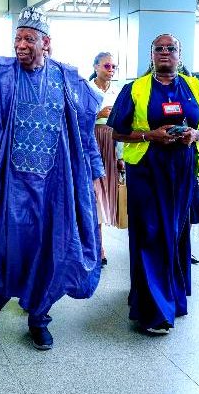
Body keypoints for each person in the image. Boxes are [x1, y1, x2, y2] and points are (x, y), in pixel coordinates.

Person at [0, 7, 104, 350]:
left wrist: (93, 173)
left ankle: (38, 318)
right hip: (8, 185)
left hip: (54, 189)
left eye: (28, 39)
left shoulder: (68, 80)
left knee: (51, 252)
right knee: (5, 247)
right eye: (17, 38)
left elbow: (85, 132)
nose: (21, 45)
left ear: (46, 43)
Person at [108, 33, 199, 334]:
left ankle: (174, 298)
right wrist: (149, 135)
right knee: (151, 233)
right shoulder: (135, 89)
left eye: (171, 48)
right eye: (159, 49)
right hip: (147, 168)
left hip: (182, 170)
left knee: (177, 234)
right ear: (151, 55)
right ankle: (154, 312)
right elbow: (116, 131)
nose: (165, 52)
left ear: (180, 55)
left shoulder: (196, 86)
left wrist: (196, 135)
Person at [89, 52, 122, 266]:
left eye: (113, 67)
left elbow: (122, 126)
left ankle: (97, 244)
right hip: (91, 143)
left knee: (105, 196)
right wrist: (98, 114)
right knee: (94, 194)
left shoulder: (117, 92)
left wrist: (120, 156)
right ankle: (96, 246)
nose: (110, 70)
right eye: (106, 66)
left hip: (111, 143)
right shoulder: (86, 89)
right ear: (95, 67)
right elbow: (75, 119)